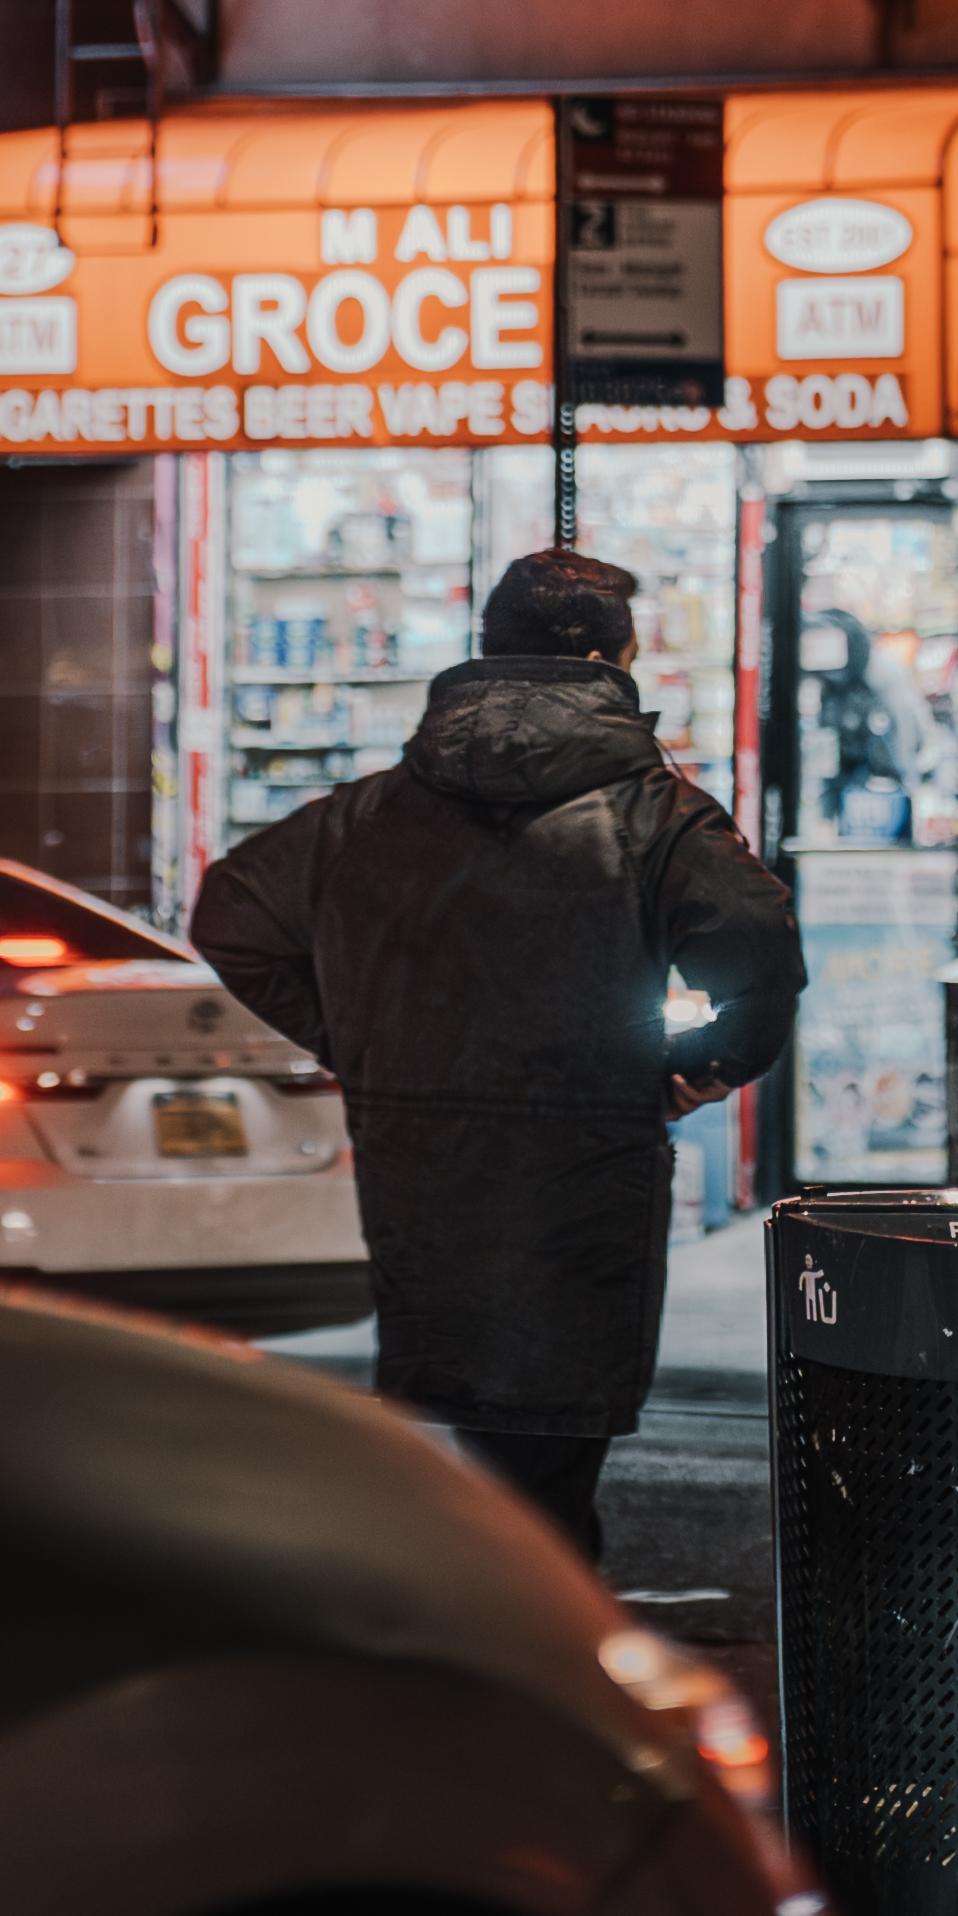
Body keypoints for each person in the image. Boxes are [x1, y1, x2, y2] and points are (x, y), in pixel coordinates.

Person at [190, 543, 804, 1561]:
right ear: (617, 661)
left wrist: (363, 1038)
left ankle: (467, 1680)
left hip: (422, 1180)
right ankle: (531, 1690)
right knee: (547, 1494)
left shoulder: (371, 809)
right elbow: (759, 956)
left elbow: (233, 913)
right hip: (586, 1180)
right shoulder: (654, 811)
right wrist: (702, 1063)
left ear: (484, 654)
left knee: (461, 1479)